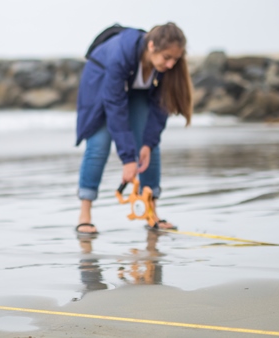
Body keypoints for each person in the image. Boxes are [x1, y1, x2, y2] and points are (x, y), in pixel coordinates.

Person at [74, 23, 193, 235]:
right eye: (167, 57)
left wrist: (146, 143)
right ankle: (85, 215)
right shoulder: (122, 52)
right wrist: (128, 159)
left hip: (135, 89)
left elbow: (159, 110)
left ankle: (151, 212)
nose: (171, 64)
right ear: (151, 46)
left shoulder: (164, 68)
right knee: (98, 144)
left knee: (150, 147)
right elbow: (114, 106)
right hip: (101, 82)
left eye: (175, 59)